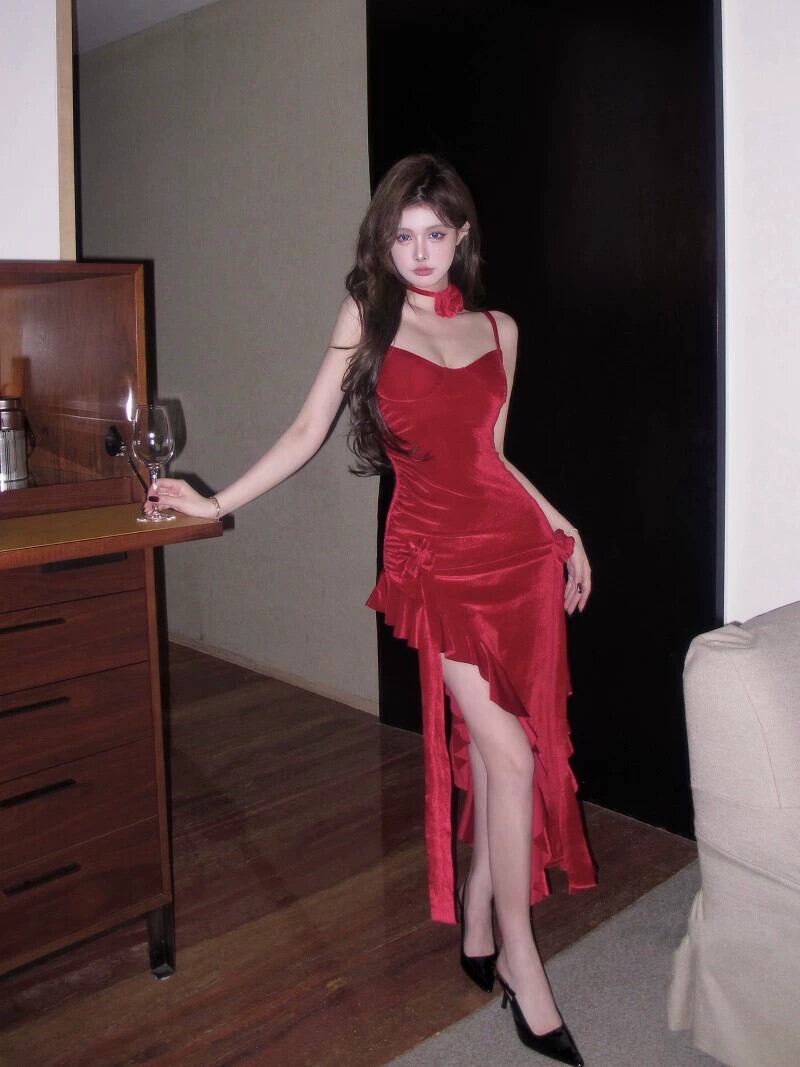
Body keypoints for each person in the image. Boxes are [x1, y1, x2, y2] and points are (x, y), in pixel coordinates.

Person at [154, 154, 595, 1065]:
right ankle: (521, 961)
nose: (419, 251)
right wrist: (216, 501)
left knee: (505, 748)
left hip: (516, 552)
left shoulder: (499, 329)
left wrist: (563, 526)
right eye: (402, 236)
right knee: (510, 756)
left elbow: (493, 455)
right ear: (383, 243)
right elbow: (308, 427)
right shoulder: (370, 315)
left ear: (462, 236)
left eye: (435, 233)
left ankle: (479, 913)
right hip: (434, 558)